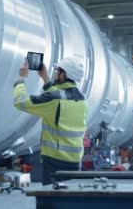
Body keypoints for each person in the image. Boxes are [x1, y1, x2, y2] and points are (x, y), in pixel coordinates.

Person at [13, 57, 88, 185]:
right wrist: (46, 79)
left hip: (54, 161)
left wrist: (22, 78)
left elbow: (20, 102)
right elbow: (59, 98)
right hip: (75, 160)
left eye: (58, 70)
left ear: (63, 75)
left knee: (50, 201)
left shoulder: (54, 99)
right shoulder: (82, 99)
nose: (55, 73)